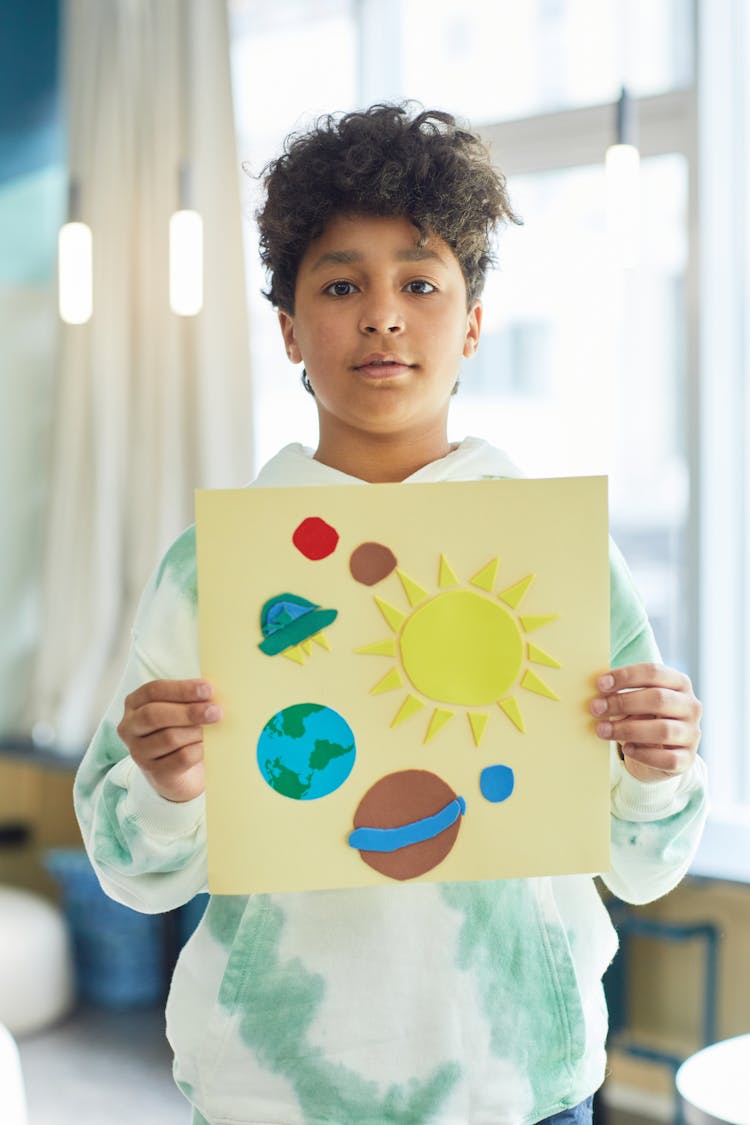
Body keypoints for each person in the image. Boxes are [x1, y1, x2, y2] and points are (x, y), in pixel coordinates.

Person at [74, 104, 706, 1125]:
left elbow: (643, 865)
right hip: (268, 1089)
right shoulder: (214, 572)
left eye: (420, 282)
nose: (383, 314)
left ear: (473, 324)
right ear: (287, 329)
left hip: (520, 1086)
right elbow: (137, 873)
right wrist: (168, 784)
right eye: (339, 284)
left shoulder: (558, 559)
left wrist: (659, 767)